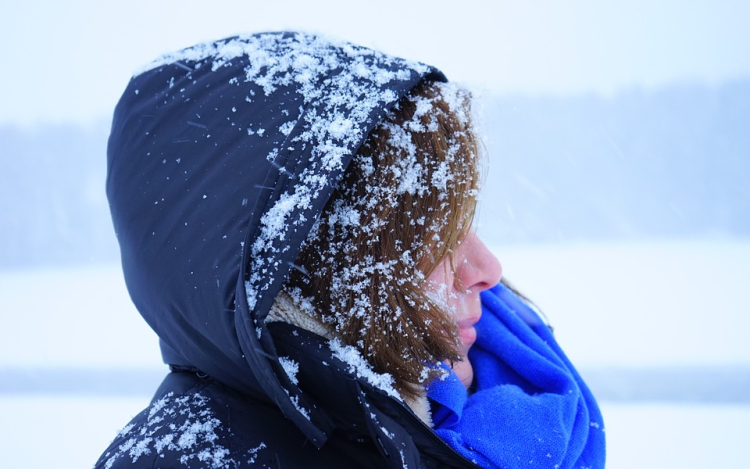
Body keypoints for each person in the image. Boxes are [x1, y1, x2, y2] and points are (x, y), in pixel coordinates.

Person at [96, 32, 605, 469]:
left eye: (464, 224)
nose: (487, 271)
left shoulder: (521, 407)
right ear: (316, 273)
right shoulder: (192, 458)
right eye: (432, 241)